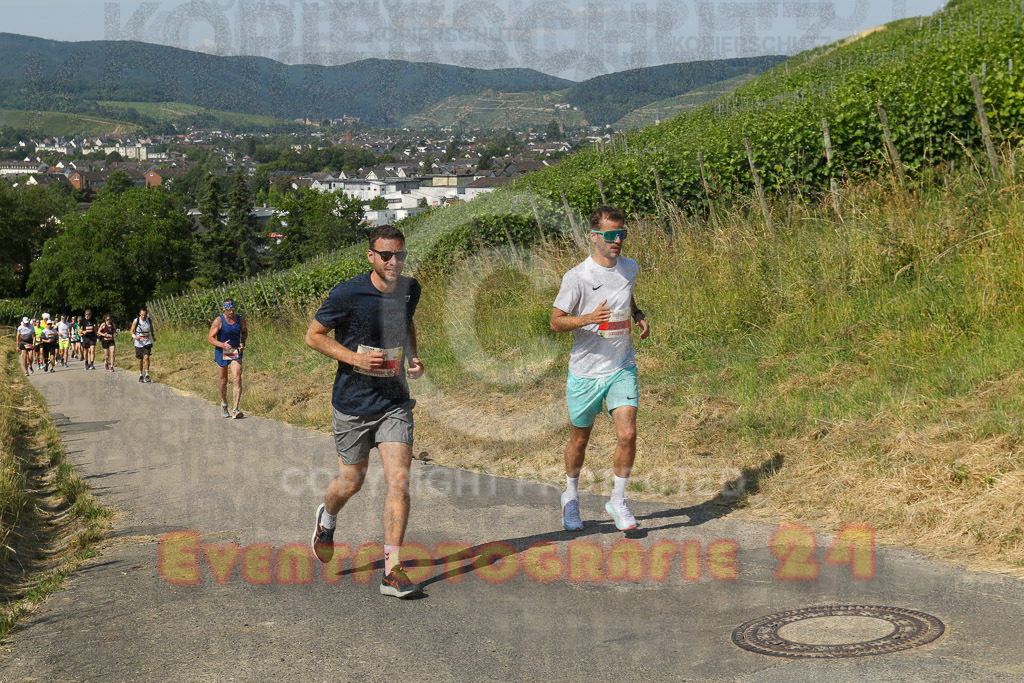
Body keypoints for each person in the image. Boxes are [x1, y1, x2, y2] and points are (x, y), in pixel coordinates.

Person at [305, 224, 425, 599]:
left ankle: (392, 571)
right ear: (371, 256)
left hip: (393, 401)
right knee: (351, 483)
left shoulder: (411, 290)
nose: (394, 262)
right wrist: (355, 357)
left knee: (399, 480)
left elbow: (407, 325)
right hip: (353, 404)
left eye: (399, 255)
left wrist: (414, 356)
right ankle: (327, 521)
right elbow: (314, 336)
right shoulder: (348, 293)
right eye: (386, 255)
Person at [550, 205, 651, 532]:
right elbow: (555, 322)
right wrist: (588, 319)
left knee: (628, 432)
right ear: (594, 237)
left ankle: (618, 501)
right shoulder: (577, 277)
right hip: (586, 372)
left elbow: (627, 294)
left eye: (622, 234)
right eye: (610, 235)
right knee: (580, 440)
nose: (617, 240)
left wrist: (637, 315)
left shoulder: (630, 267)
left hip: (622, 366)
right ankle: (571, 496)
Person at [207, 299, 247, 418]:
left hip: (234, 350)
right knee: (223, 380)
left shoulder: (240, 320)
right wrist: (222, 345)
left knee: (237, 378)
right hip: (222, 350)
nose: (231, 312)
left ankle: (235, 409)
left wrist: (242, 343)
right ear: (224, 309)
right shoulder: (218, 321)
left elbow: (244, 333)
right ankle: (224, 403)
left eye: (233, 309)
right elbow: (210, 338)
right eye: (229, 310)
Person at [130, 308, 155, 383]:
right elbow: (131, 331)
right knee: (140, 360)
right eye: (142, 315)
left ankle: (147, 375)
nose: (144, 316)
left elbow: (151, 329)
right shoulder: (136, 321)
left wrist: (153, 336)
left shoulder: (149, 320)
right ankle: (141, 375)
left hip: (147, 341)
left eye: (145, 315)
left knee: (147, 357)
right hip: (139, 343)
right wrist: (135, 337)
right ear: (140, 314)